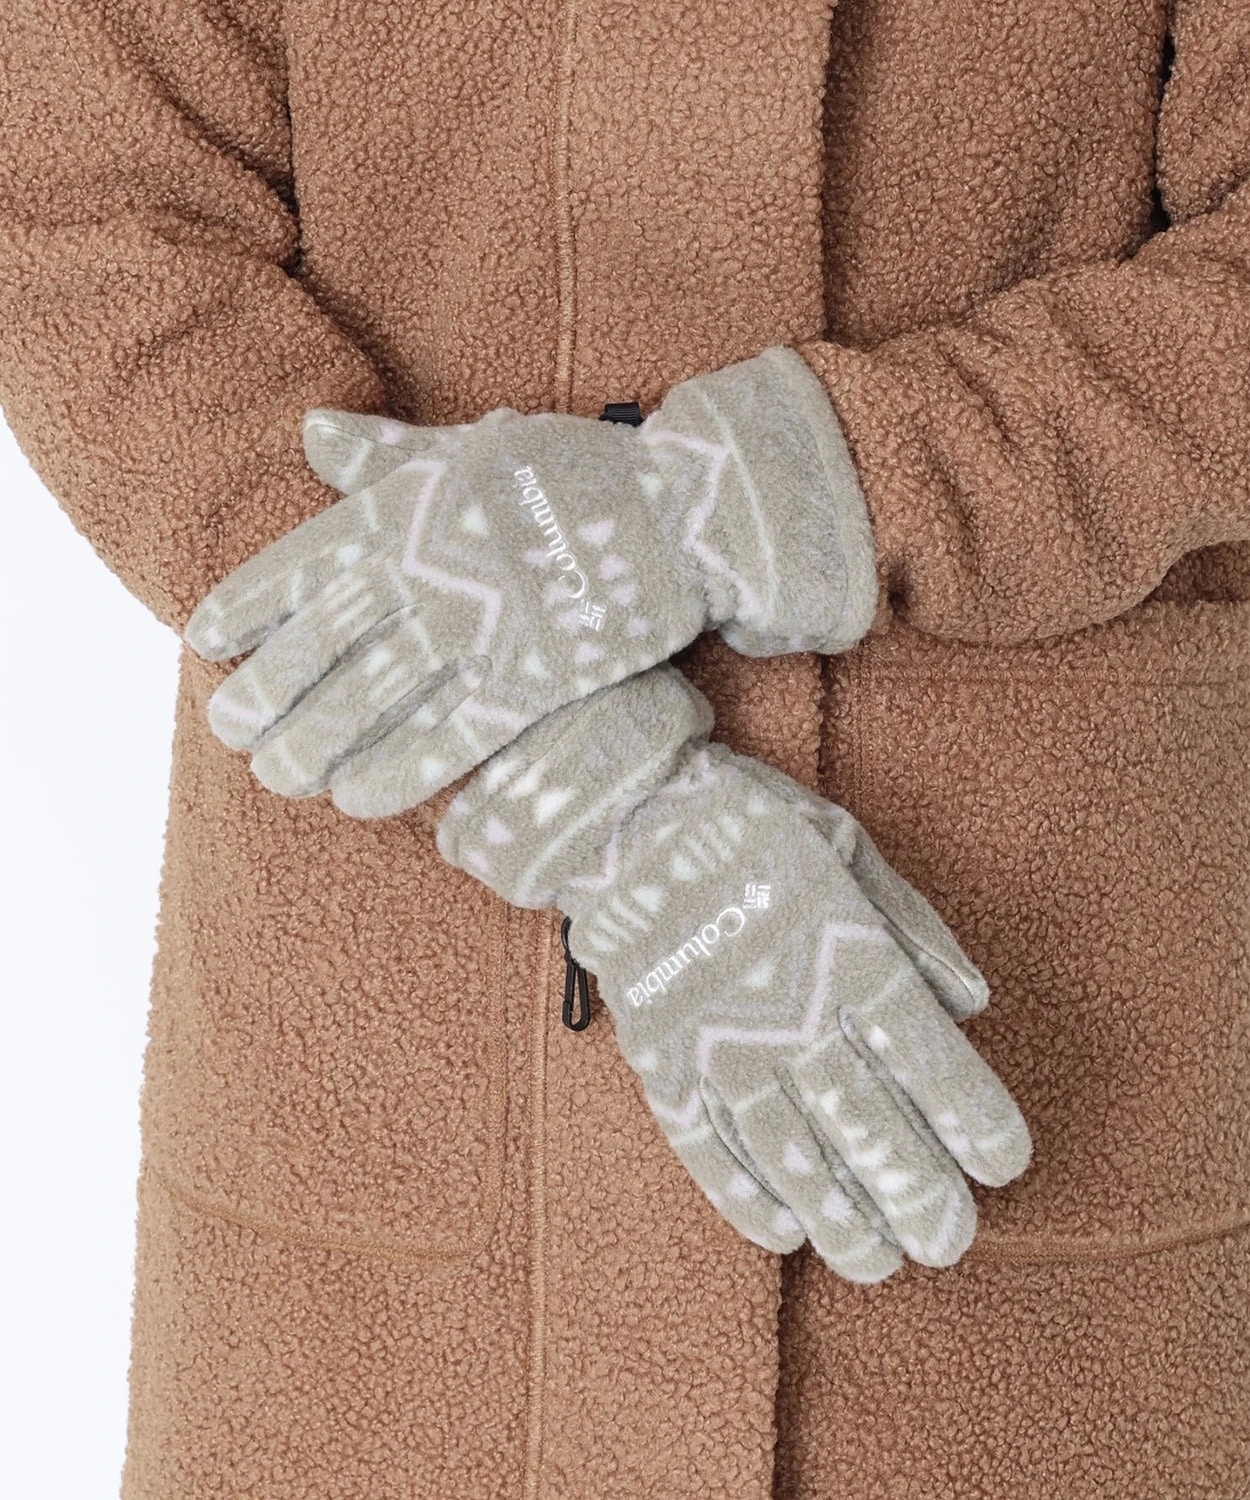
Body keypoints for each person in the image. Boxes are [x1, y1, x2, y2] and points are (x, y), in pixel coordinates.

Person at [1, 1, 1247, 1495]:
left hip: (1015, 979)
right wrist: (582, 778)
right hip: (403, 1048)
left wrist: (771, 489)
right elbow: (86, 217)